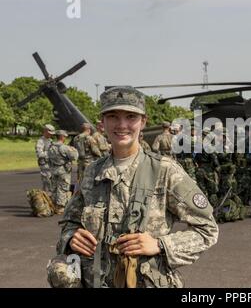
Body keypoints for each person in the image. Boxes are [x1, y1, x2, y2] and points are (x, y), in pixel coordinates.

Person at [52, 87, 218, 288]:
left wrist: (160, 245)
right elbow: (69, 221)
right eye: (113, 116)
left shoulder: (165, 171)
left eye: (131, 117)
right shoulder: (92, 172)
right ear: (103, 123)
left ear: (143, 122)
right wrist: (71, 237)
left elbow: (207, 230)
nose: (122, 125)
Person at [48, 130, 79, 214]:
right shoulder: (64, 147)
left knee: (54, 188)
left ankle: (53, 205)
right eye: (65, 137)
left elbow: (49, 158)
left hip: (54, 170)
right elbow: (74, 157)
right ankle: (60, 207)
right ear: (62, 137)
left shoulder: (51, 147)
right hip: (63, 170)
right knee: (62, 188)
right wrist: (74, 150)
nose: (65, 138)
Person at [35, 124, 55, 193]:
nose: (51, 135)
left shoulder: (50, 140)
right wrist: (49, 153)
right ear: (45, 131)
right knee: (47, 183)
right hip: (44, 165)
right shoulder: (40, 141)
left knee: (51, 184)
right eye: (49, 133)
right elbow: (39, 154)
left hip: (51, 165)